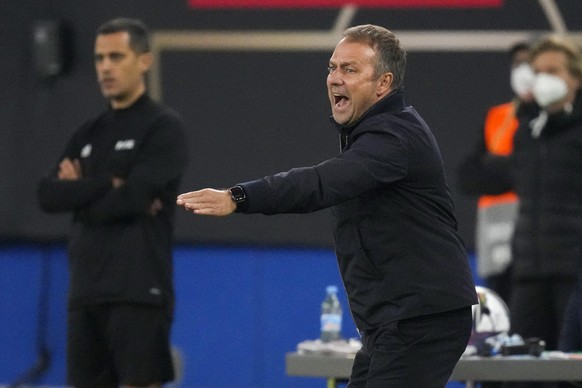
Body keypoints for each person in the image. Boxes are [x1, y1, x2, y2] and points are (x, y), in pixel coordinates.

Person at [176, 24, 477, 388]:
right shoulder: (371, 134)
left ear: (383, 84)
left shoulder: (393, 138)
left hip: (422, 320)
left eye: (350, 70)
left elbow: (319, 184)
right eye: (332, 68)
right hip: (396, 321)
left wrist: (238, 197)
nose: (335, 79)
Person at [37, 18, 188, 388]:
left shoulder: (163, 128)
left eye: (116, 56)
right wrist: (107, 184)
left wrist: (81, 194)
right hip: (85, 292)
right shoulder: (88, 133)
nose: (105, 66)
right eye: (99, 58)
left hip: (138, 291)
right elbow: (47, 194)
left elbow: (135, 198)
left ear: (144, 61)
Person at [457, 41, 533, 304]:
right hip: (498, 238)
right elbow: (467, 177)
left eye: (530, 62)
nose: (523, 70)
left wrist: (498, 167)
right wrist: (515, 170)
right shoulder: (499, 117)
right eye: (517, 64)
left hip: (540, 241)